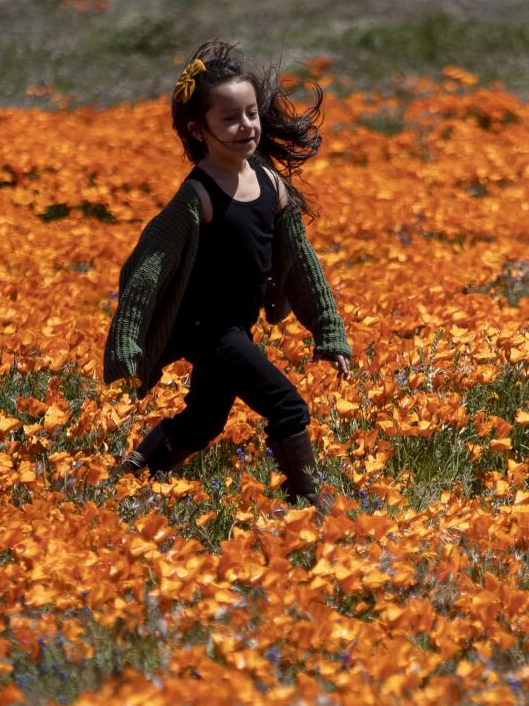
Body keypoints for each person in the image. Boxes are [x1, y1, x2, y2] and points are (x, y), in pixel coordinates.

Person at [102, 39, 353, 513]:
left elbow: (302, 264)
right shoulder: (197, 196)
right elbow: (148, 268)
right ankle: (308, 503)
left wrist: (330, 332)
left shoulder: (272, 185)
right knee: (288, 406)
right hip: (208, 329)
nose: (247, 127)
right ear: (199, 130)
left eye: (252, 114)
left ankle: (128, 477)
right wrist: (127, 342)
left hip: (238, 328)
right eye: (230, 118)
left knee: (203, 422)